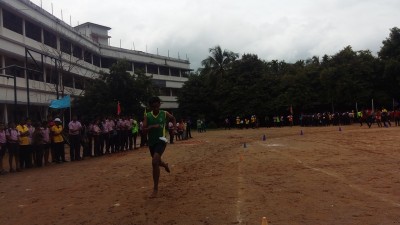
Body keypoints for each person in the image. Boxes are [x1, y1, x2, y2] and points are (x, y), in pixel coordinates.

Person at [143, 96, 176, 198]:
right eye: (154, 107)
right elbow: (144, 130)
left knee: (154, 162)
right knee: (157, 161)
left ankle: (155, 189)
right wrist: (152, 127)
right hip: (152, 142)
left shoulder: (164, 113)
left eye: (157, 106)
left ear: (159, 105)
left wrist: (174, 127)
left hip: (162, 140)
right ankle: (164, 164)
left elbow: (173, 118)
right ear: (151, 107)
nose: (156, 108)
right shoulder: (147, 116)